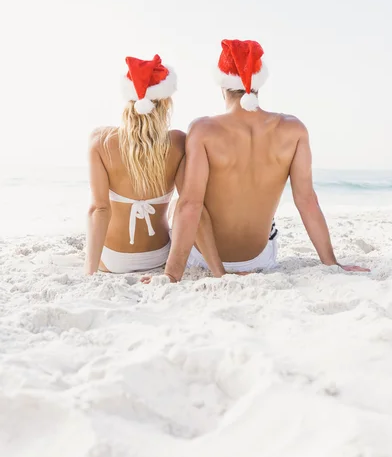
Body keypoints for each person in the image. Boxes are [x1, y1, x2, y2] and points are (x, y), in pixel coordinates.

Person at [154, 38, 369, 283]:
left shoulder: (203, 129)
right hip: (259, 259)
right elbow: (307, 201)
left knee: (180, 203)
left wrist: (171, 275)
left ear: (222, 85)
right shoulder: (294, 129)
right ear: (258, 84)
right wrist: (332, 263)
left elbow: (191, 206)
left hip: (203, 257)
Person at [85, 54, 185, 275]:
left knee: (93, 209)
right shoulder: (178, 142)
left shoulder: (101, 141)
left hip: (113, 260)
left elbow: (99, 210)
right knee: (180, 204)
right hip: (159, 256)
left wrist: (89, 272)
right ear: (166, 103)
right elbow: (189, 205)